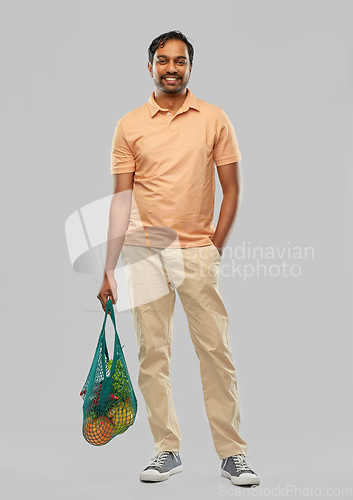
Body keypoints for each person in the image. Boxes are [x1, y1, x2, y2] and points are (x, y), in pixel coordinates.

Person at [97, 30, 260, 487]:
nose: (172, 68)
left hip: (195, 251)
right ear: (149, 66)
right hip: (142, 252)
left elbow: (233, 189)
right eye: (164, 60)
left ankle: (233, 455)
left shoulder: (213, 119)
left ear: (190, 67)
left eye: (181, 61)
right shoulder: (129, 125)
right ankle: (166, 450)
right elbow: (120, 200)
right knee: (153, 354)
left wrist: (214, 245)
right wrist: (109, 268)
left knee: (215, 352)